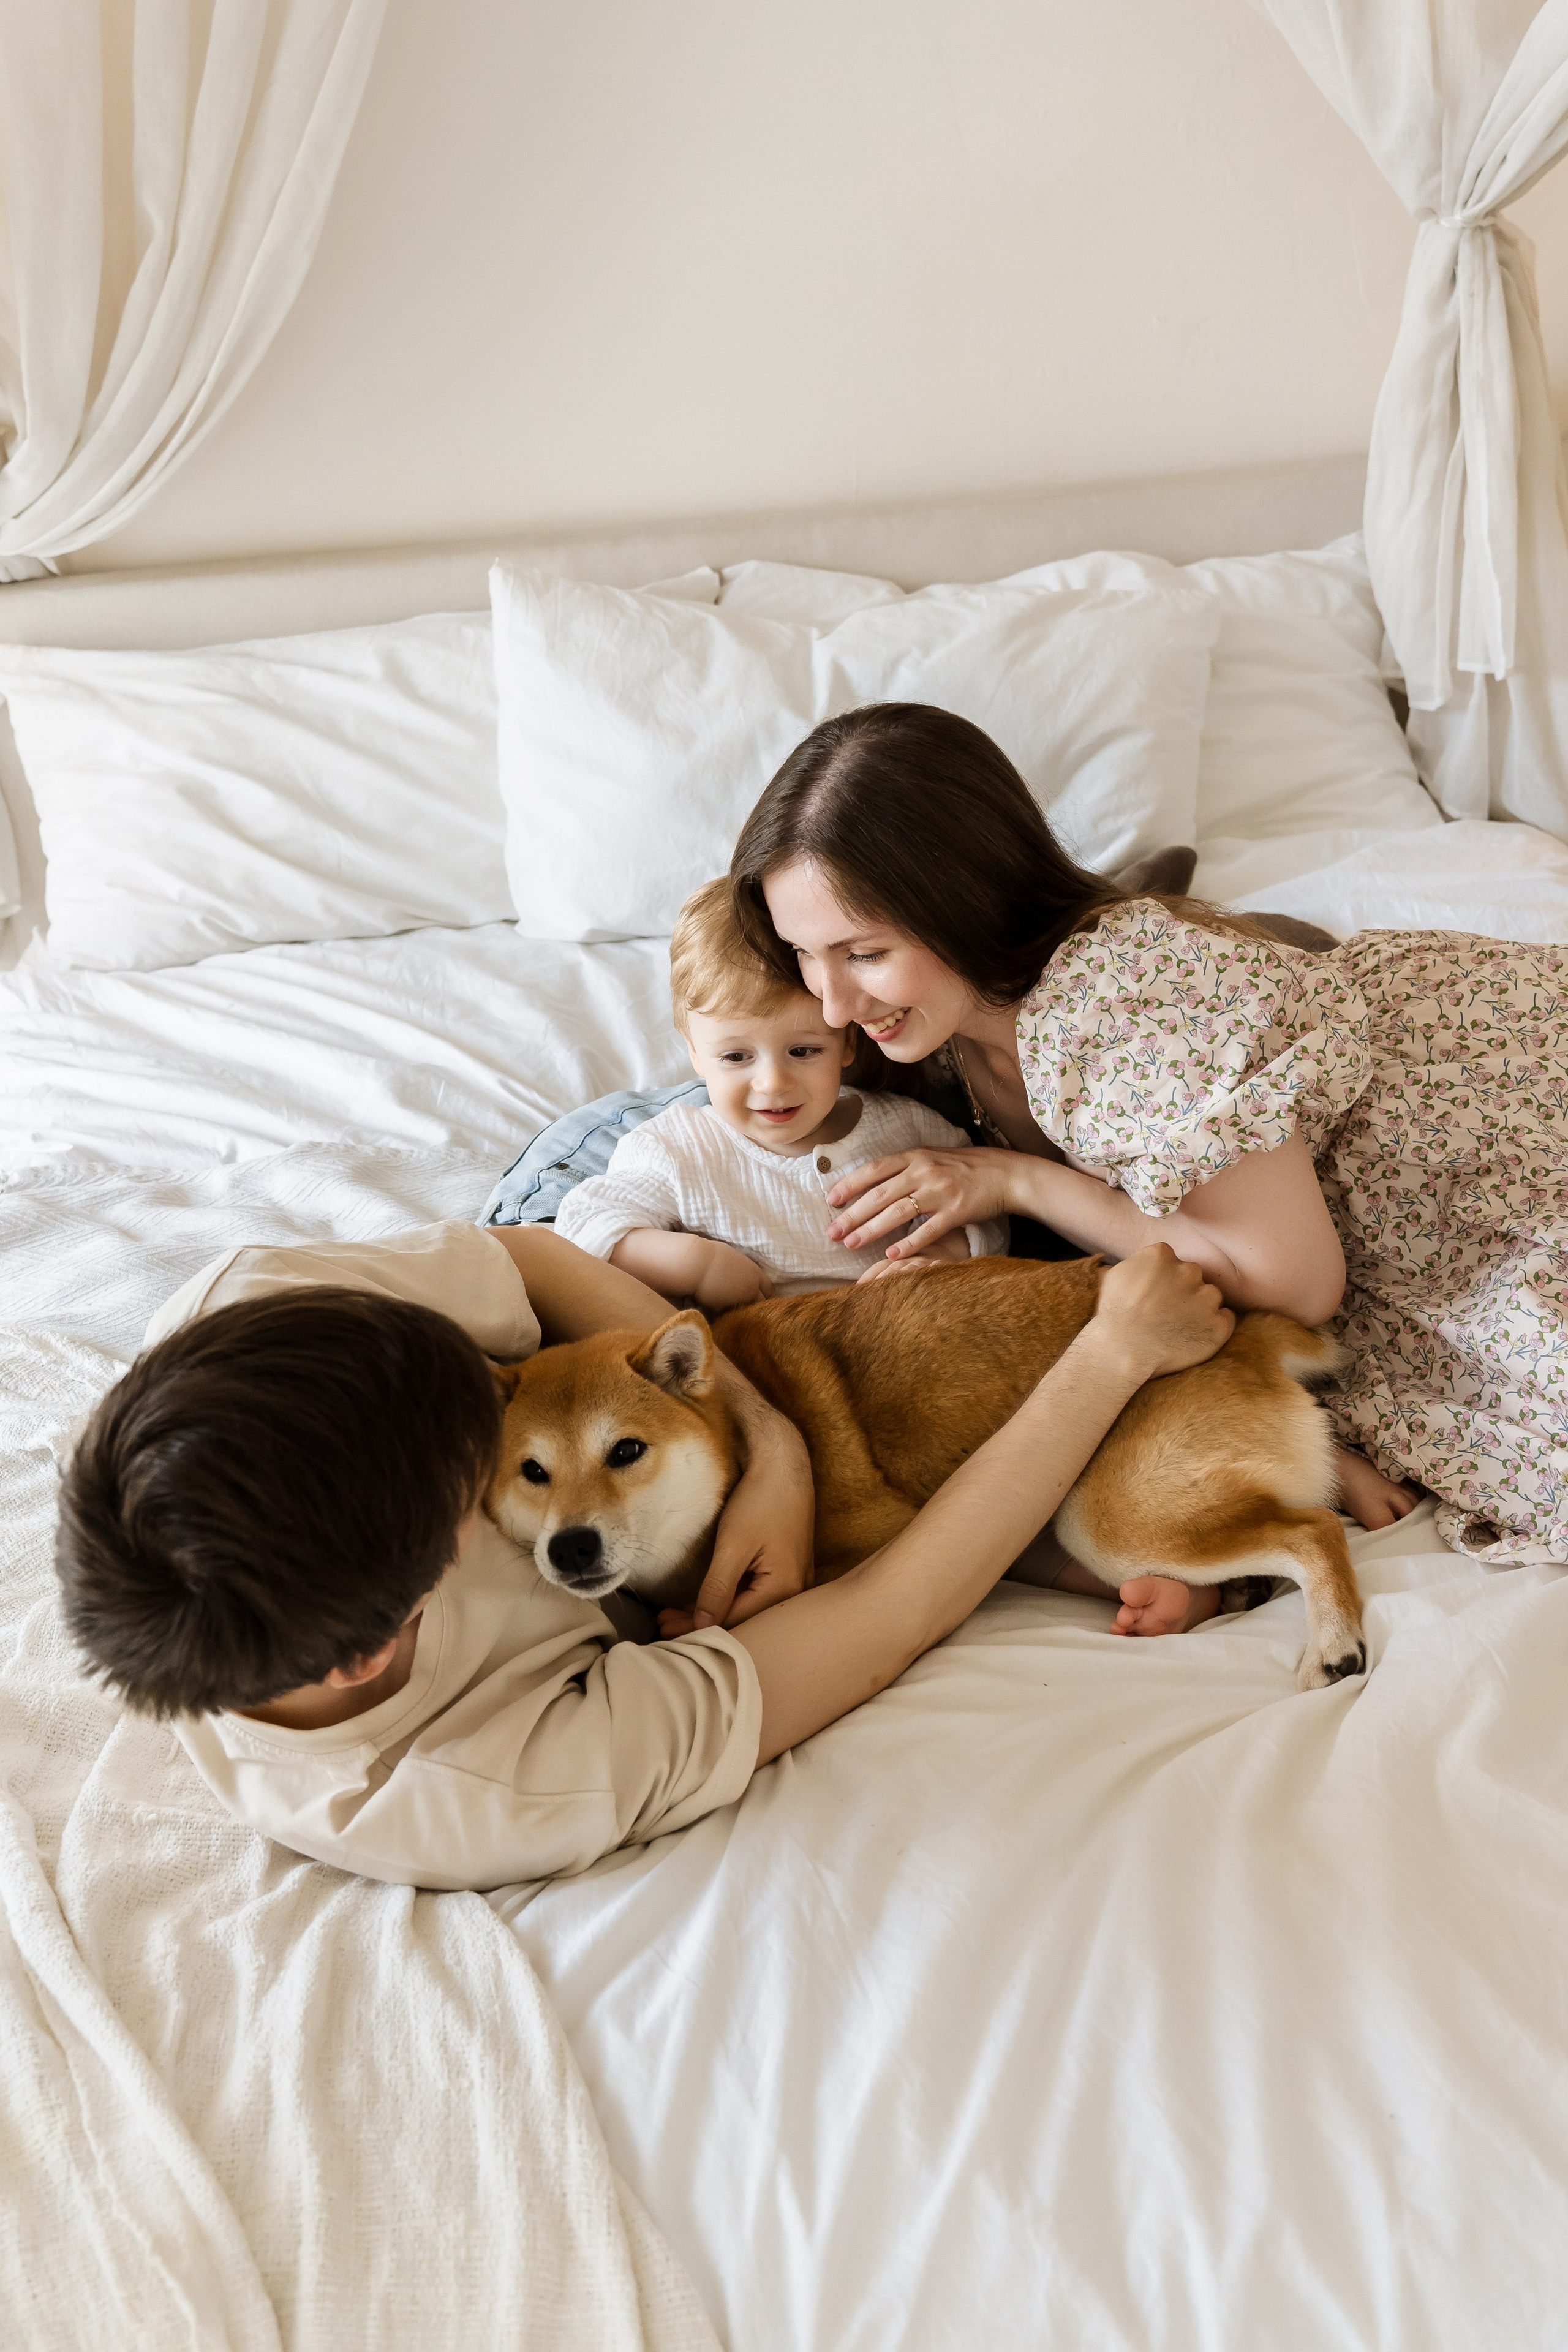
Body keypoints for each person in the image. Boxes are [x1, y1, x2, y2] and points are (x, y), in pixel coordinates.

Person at [51, 1218, 1230, 1891]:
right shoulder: (490, 1785)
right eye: (485, 1468)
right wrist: (1112, 1356)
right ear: (384, 1637)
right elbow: (889, 1616)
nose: (490, 1395)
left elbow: (525, 1259)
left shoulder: (260, 1324)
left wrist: (771, 1445)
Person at [731, 700, 1568, 1618]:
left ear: (966, 899)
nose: (835, 1004)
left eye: (865, 954)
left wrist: (1020, 1180)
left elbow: (1289, 1284)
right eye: (807, 957)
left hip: (1489, 1134)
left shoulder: (1112, 1004)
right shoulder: (935, 1035)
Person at [553, 878, 1007, 1304]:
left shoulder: (908, 1128)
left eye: (804, 1051)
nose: (773, 1083)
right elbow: (586, 1228)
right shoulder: (676, 1149)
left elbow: (980, 1211)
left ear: (847, 1042)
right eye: (735, 1058)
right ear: (694, 1052)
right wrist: (698, 1265)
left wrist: (941, 1257)